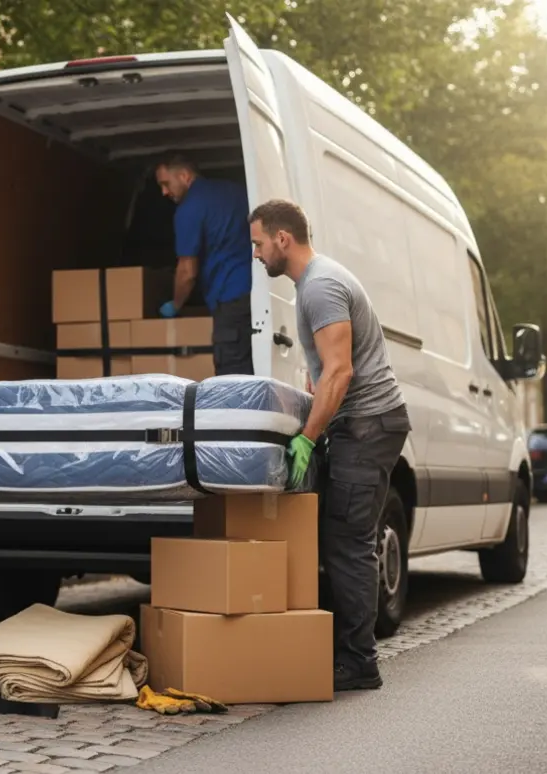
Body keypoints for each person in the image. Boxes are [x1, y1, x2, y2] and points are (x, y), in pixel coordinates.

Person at [247, 199, 411, 693]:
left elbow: (341, 372)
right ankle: (347, 651)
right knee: (344, 539)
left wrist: (307, 438)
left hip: (368, 425)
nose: (255, 255)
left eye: (258, 243)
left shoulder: (318, 287)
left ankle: (359, 662)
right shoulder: (316, 284)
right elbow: (327, 374)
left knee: (349, 542)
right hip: (364, 424)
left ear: (282, 239)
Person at [153, 152, 255, 376]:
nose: (164, 192)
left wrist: (176, 305)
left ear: (184, 176)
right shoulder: (236, 191)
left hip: (230, 298)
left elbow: (187, 272)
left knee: (232, 376)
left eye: (166, 183)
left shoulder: (188, 210)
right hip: (259, 295)